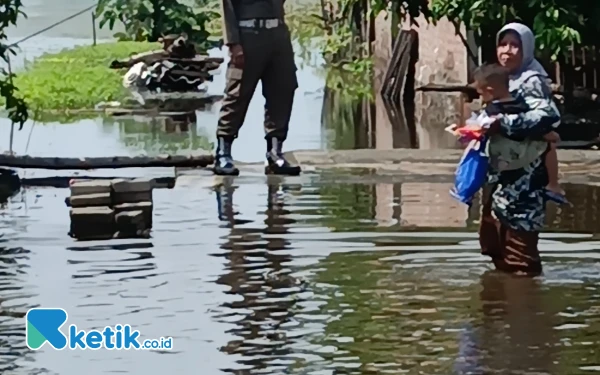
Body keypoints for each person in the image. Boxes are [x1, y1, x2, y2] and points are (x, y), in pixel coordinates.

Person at [478, 22, 562, 276]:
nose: (507, 51)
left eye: (515, 45)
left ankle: (526, 309)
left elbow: (548, 117)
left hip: (524, 182)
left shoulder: (531, 81)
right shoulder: (502, 79)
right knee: (498, 247)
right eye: (503, 44)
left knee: (520, 256)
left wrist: (502, 124)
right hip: (501, 178)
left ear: (526, 49)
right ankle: (500, 309)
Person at [214, 0, 301, 176]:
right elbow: (227, 6)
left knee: (283, 90)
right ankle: (223, 152)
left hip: (278, 35)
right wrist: (232, 42)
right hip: (247, 36)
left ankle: (275, 152)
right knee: (237, 94)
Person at [471, 63, 567, 204]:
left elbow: (495, 127)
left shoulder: (493, 110)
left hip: (509, 166)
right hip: (518, 161)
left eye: (480, 94)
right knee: (549, 145)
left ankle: (552, 184)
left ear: (490, 90)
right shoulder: (521, 103)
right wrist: (543, 133)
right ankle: (553, 183)